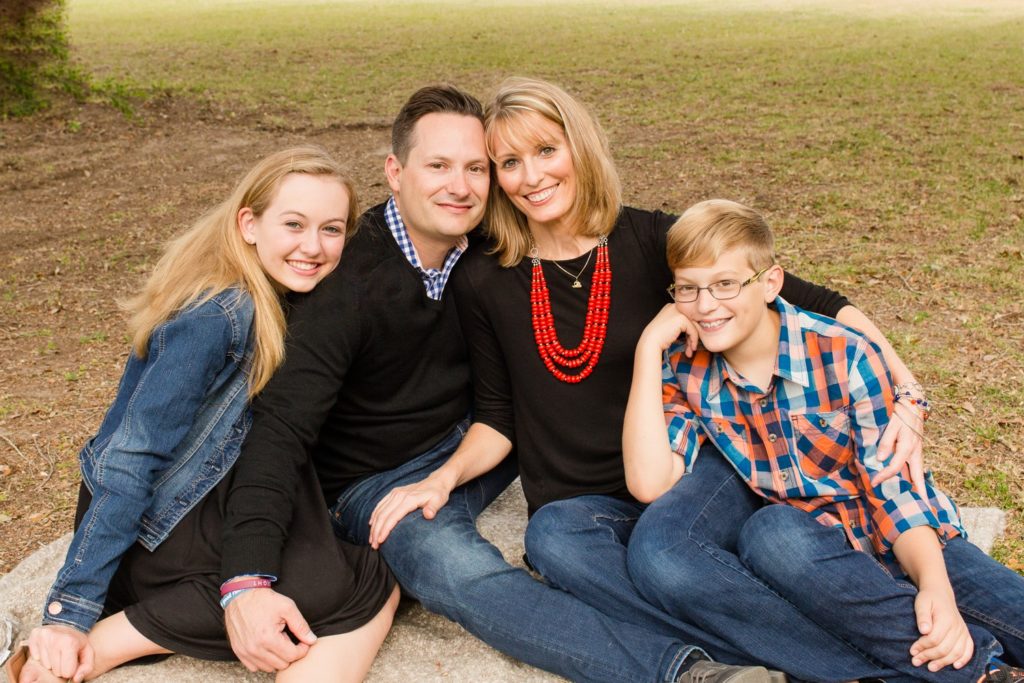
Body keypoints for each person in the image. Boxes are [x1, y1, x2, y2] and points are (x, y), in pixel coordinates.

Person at [219, 86, 777, 683]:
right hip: (376, 479)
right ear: (395, 172)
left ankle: (778, 645)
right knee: (453, 568)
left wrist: (888, 372)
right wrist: (245, 584)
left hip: (482, 446)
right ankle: (685, 672)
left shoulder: (489, 243)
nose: (459, 186)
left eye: (476, 168)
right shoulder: (349, 289)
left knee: (559, 540)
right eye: (437, 166)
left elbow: (741, 272)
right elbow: (278, 431)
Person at [443, 76, 934, 682]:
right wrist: (439, 480)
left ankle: (865, 669)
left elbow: (819, 302)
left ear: (580, 147)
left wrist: (908, 392)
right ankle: (803, 666)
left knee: (667, 559)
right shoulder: (484, 277)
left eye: (547, 150)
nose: (532, 176)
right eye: (510, 162)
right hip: (581, 500)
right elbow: (496, 411)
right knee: (553, 542)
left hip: (693, 472)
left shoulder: (650, 240)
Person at [13, 147, 398, 683]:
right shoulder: (218, 314)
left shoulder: (283, 296)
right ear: (249, 223)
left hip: (204, 496)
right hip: (157, 524)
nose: (313, 246)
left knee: (352, 568)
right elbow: (131, 454)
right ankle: (104, 642)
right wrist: (70, 609)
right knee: (346, 583)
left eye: (331, 230)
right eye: (294, 224)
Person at [622, 198, 1024, 683]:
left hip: (904, 542)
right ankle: (983, 673)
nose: (705, 306)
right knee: (771, 533)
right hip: (815, 564)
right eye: (688, 289)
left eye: (726, 284)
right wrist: (648, 350)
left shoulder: (843, 352)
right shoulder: (686, 369)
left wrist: (933, 585)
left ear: (770, 282)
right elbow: (649, 482)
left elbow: (893, 491)